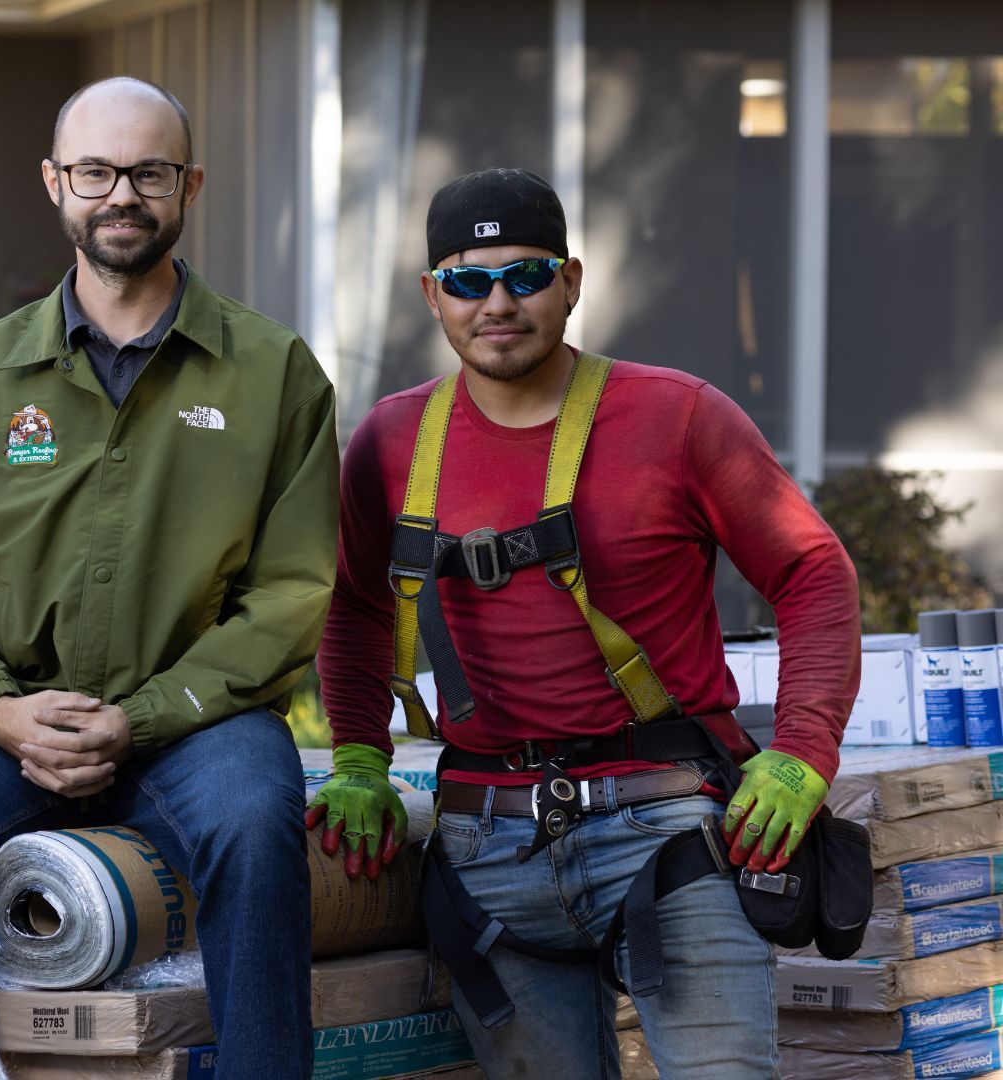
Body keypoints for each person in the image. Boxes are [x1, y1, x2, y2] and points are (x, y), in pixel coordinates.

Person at [0, 77, 338, 1080]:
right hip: (7, 725)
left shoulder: (272, 373)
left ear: (189, 184)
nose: (121, 194)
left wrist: (139, 718)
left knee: (257, 832)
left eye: (147, 171)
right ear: (56, 183)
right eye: (95, 171)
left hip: (198, 726)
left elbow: (292, 590)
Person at [309, 167, 861, 1077]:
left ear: (570, 280)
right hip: (485, 845)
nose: (498, 302)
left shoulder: (677, 415)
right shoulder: (390, 441)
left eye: (526, 276)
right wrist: (360, 759)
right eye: (468, 279)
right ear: (430, 296)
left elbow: (812, 571)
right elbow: (356, 607)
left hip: (667, 833)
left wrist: (802, 750)